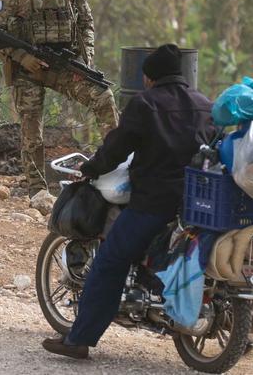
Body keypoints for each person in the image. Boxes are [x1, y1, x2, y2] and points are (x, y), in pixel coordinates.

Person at [42, 44, 213, 360]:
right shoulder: (204, 104)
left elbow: (117, 148)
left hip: (153, 202)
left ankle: (78, 339)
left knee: (109, 261)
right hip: (197, 204)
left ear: (148, 77)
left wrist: (91, 168)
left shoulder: (145, 104)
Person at [0, 0, 118, 193]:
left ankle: (113, 166)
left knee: (104, 97)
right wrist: (23, 58)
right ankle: (37, 189)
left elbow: (87, 25)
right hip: (29, 70)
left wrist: (87, 59)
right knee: (32, 129)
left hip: (63, 66)